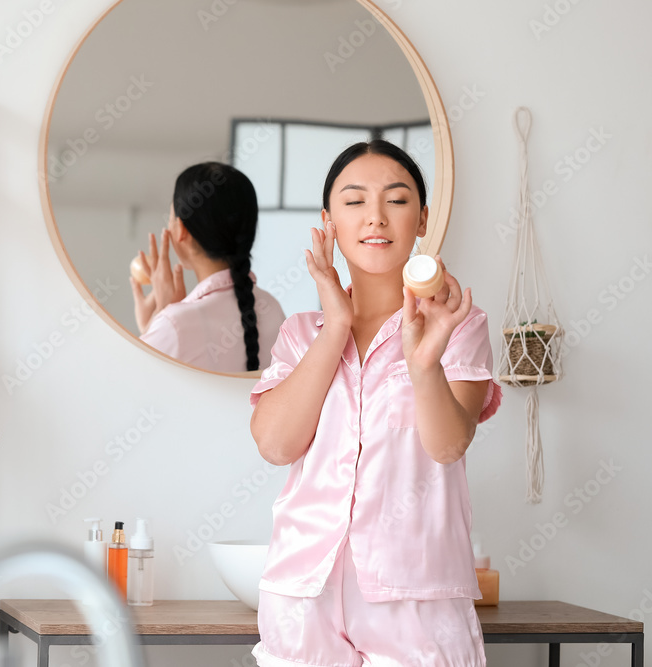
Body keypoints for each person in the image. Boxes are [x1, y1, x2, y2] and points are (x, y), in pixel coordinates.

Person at [249, 140, 502, 666]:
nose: (376, 218)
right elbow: (275, 445)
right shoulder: (302, 334)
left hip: (417, 595)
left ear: (423, 217)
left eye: (397, 199)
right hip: (302, 593)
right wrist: (335, 324)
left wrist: (424, 361)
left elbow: (449, 444)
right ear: (328, 222)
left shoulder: (459, 326)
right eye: (354, 200)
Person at [131, 162, 285, 373]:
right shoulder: (273, 309)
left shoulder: (174, 325)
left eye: (171, 219)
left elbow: (125, 388)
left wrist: (156, 319)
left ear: (181, 230)